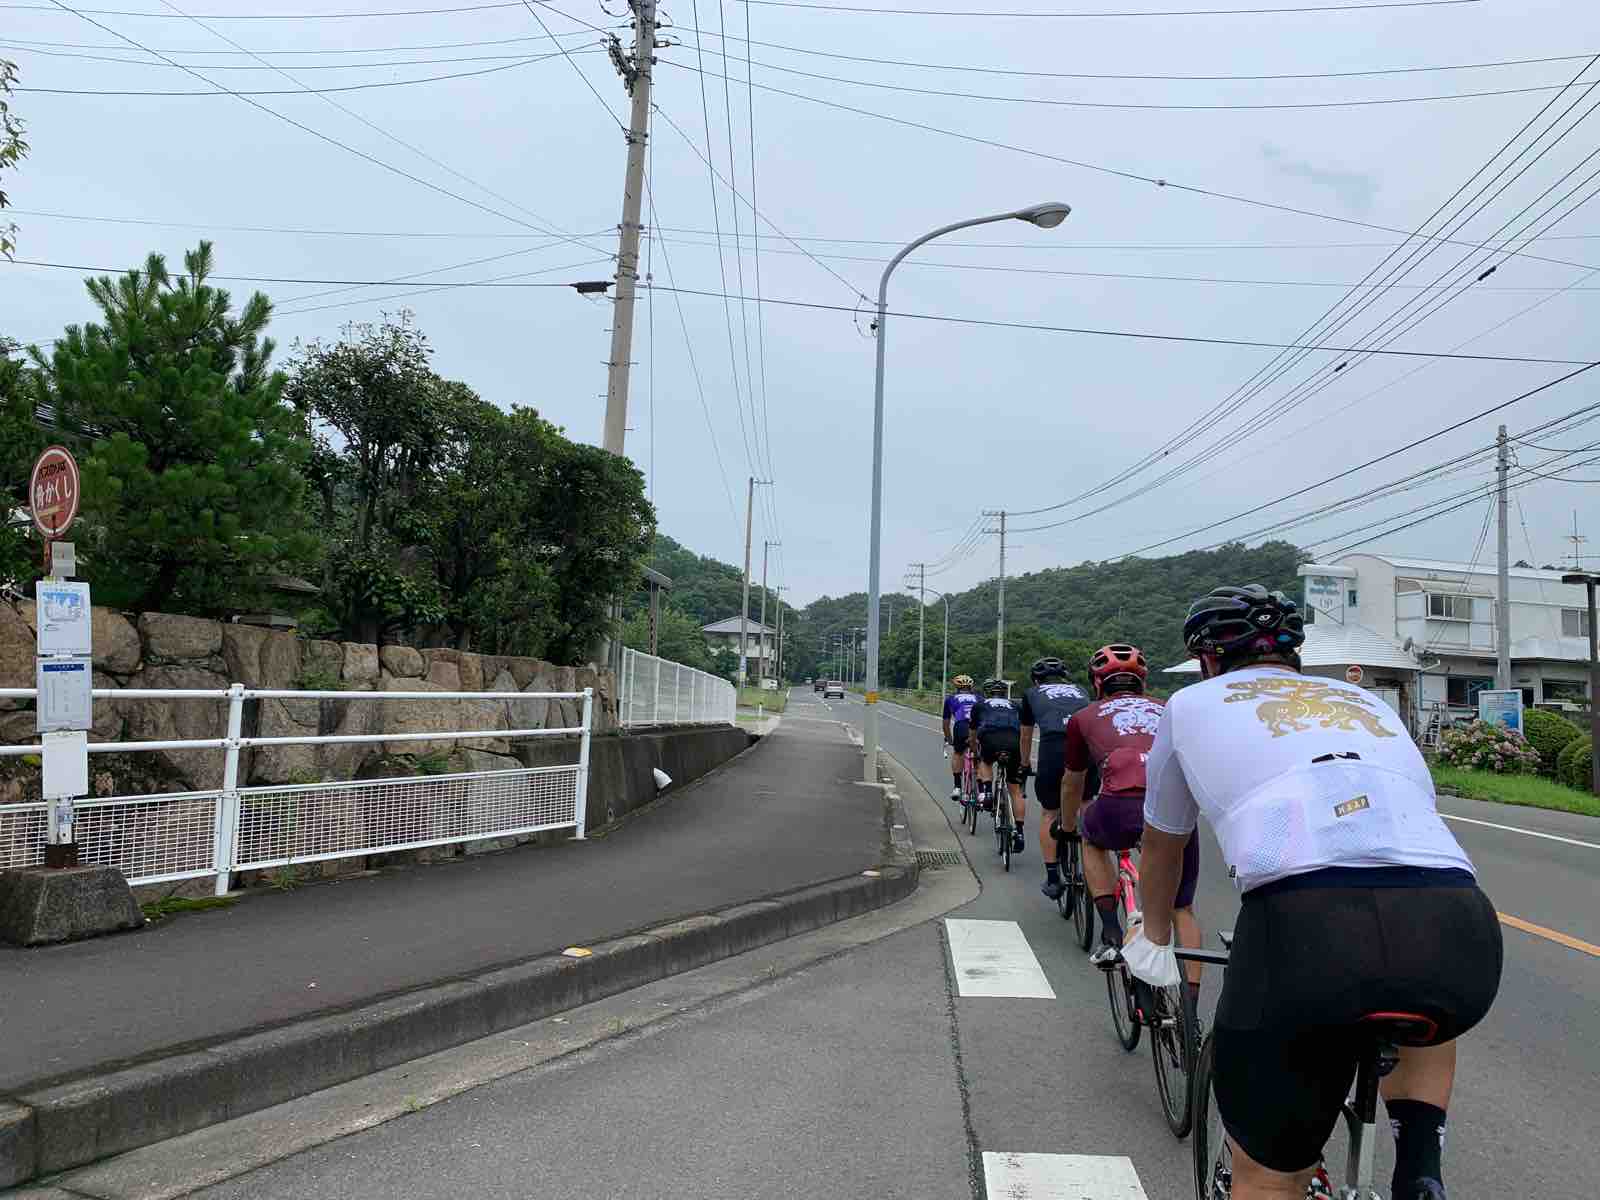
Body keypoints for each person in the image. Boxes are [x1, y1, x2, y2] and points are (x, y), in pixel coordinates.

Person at [1123, 584, 1502, 1200]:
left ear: (1207, 660)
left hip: (1306, 927)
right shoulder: (1364, 702)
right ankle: (1420, 1168)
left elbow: (1164, 842)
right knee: (1418, 984)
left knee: (1270, 1178)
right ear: (1293, 656)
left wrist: (1155, 936)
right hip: (1458, 922)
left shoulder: (1189, 705)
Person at [1061, 644, 1201, 973]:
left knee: (1091, 838)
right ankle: (1191, 1015)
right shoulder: (1168, 708)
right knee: (1182, 909)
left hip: (1118, 803)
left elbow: (1072, 782)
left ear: (1097, 683)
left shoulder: (1083, 717)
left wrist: (1067, 826)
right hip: (1173, 810)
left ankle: (1110, 932)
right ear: (1142, 682)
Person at [1019, 656, 1089, 901]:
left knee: (1049, 812)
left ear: (1036, 679)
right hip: (1086, 747)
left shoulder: (1032, 693)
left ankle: (1052, 877)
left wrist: (1025, 765)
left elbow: (1026, 737)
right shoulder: (1080, 690)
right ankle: (1093, 869)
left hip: (1054, 749)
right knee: (1085, 804)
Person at [971, 677, 1027, 853]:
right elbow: (1026, 728)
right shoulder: (1015, 705)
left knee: (985, 762)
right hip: (1014, 740)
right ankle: (1019, 832)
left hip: (990, 737)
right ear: (1005, 693)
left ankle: (987, 792)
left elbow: (972, 733)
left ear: (988, 693)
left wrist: (975, 752)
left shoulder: (980, 704)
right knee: (1015, 790)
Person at [941, 674, 980, 801]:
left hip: (962, 726)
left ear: (957, 687)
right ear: (971, 687)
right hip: (979, 727)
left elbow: (946, 723)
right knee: (980, 756)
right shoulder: (979, 698)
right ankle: (982, 790)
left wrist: (950, 739)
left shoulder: (951, 699)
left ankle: (957, 787)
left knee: (958, 753)